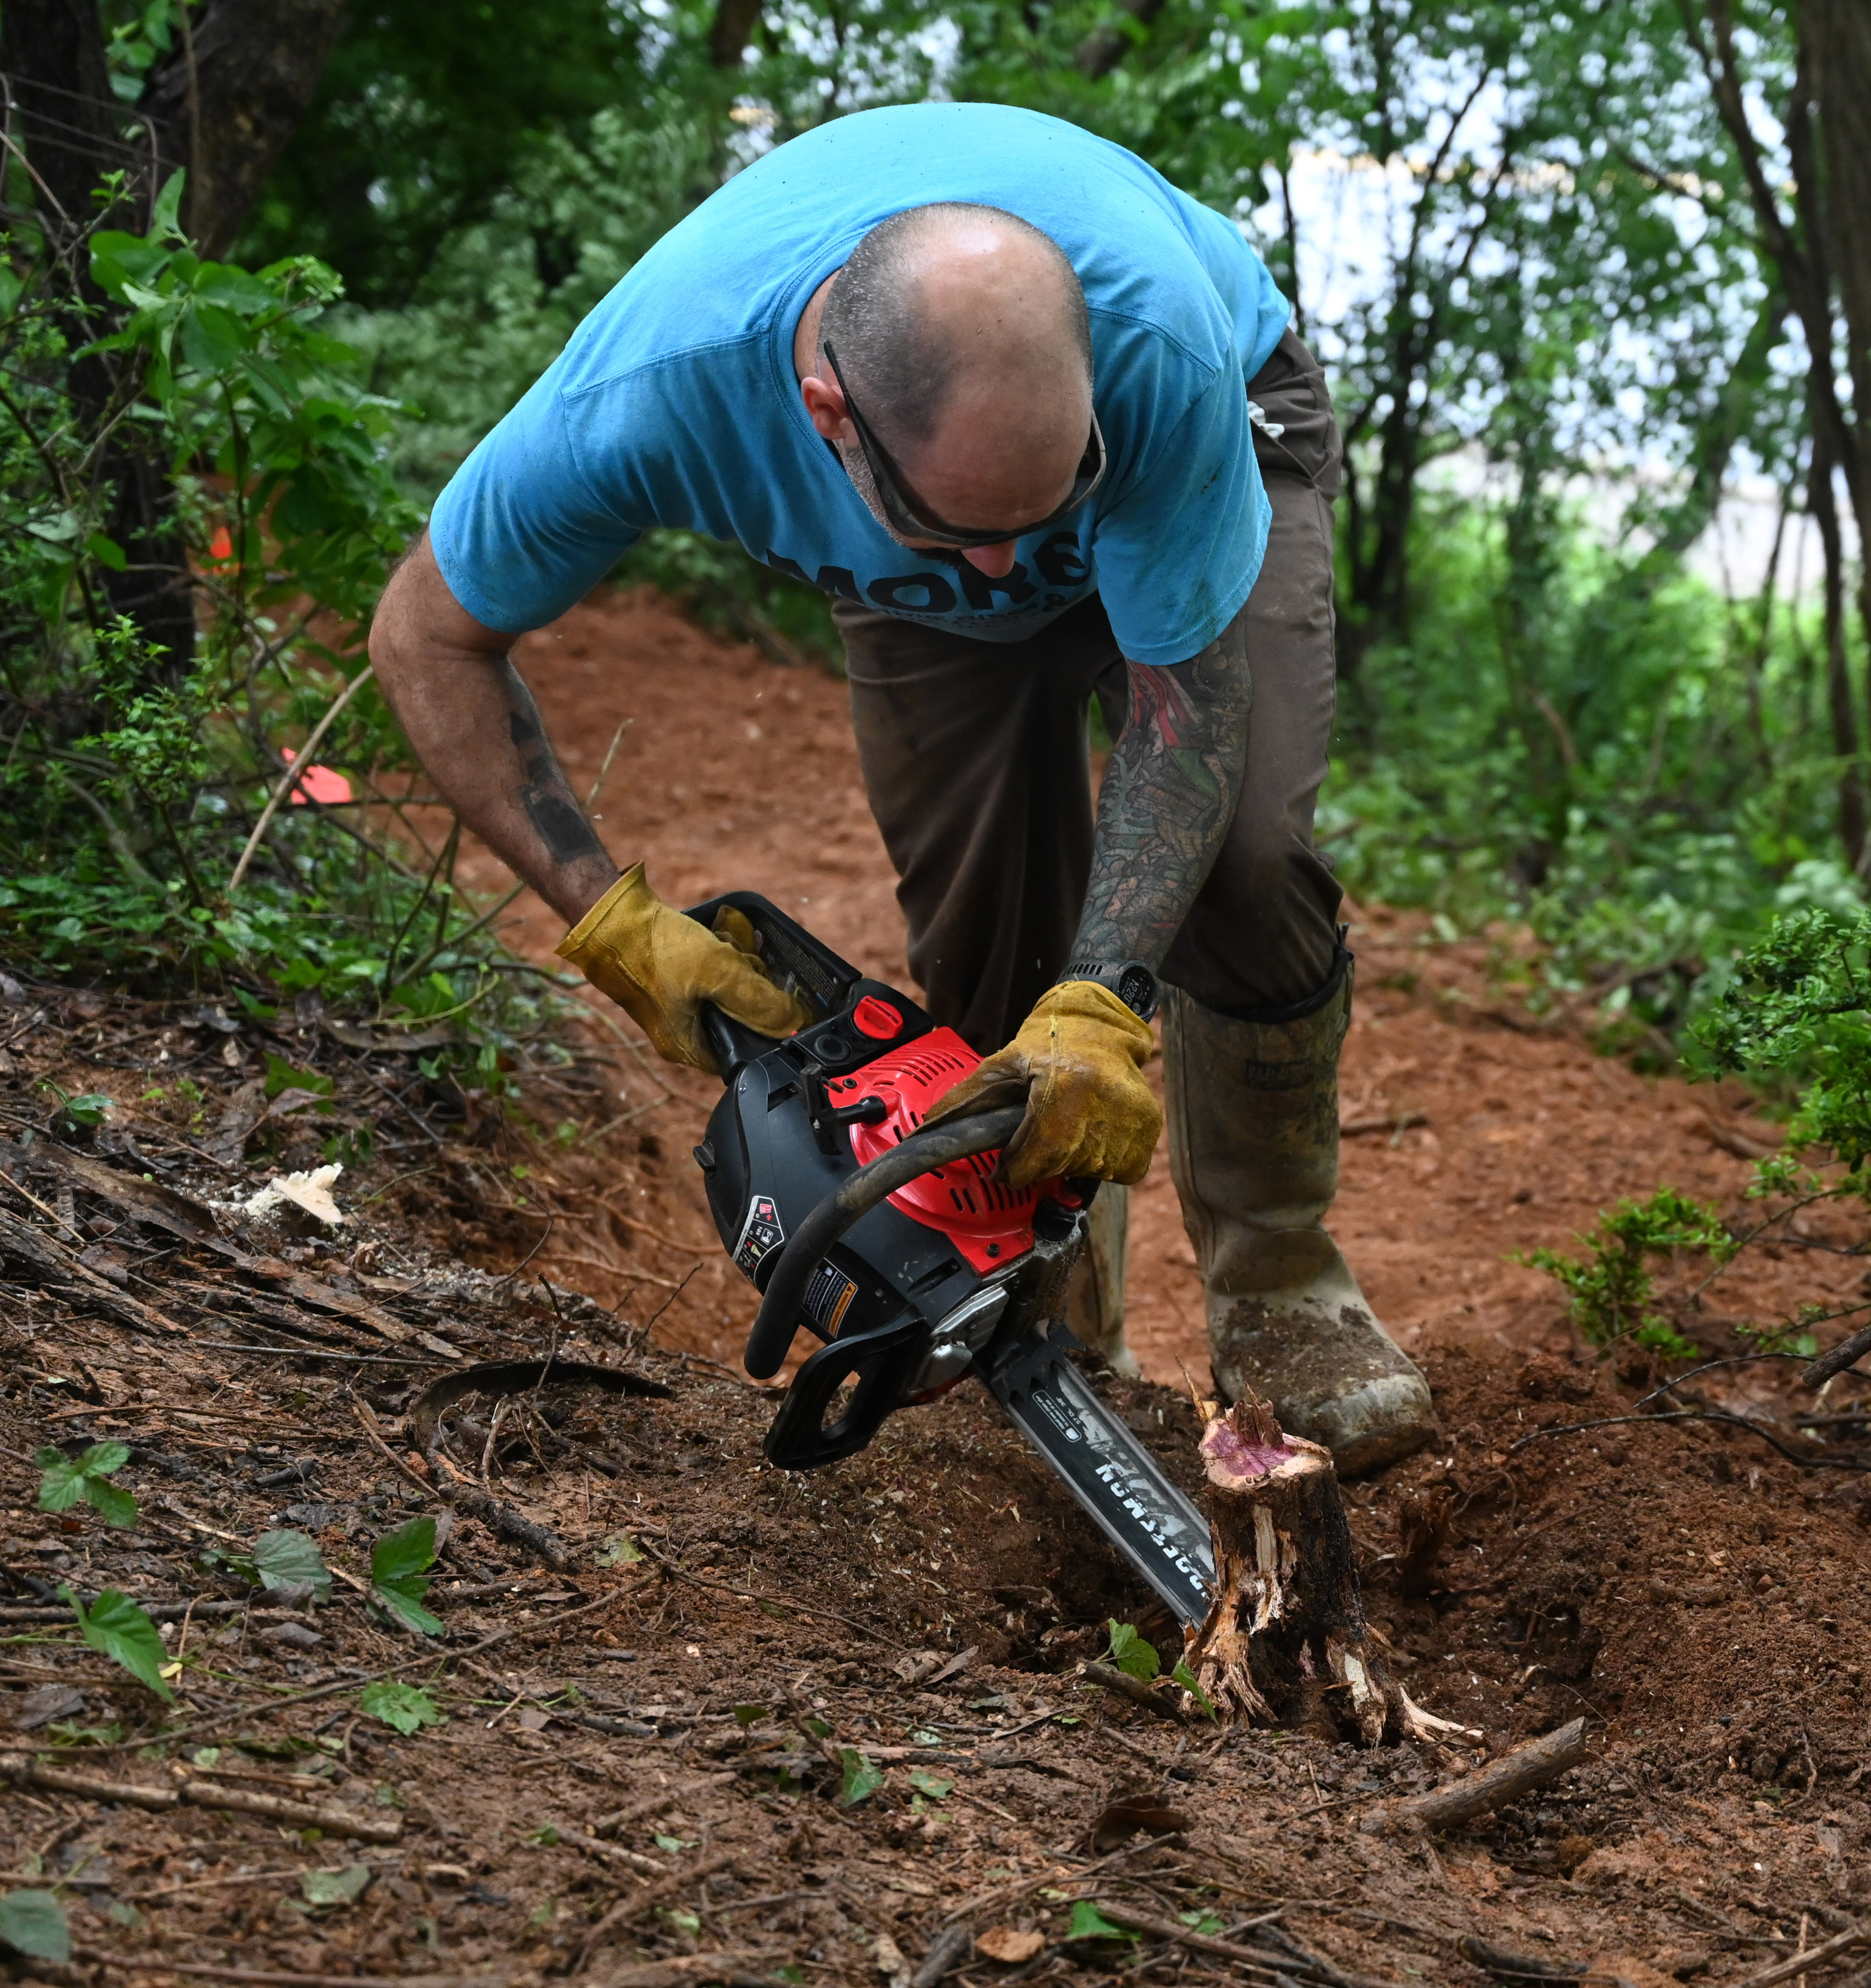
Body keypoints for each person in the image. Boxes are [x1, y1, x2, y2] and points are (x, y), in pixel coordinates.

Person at [366, 102, 1436, 1474]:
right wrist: (614, 926)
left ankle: (1282, 1283)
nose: (1011, 578)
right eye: (965, 529)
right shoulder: (646, 395)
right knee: (994, 936)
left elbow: (1186, 712)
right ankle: (1039, 1302)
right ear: (827, 419)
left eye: (1045, 511)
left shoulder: (1154, 352)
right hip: (888, 540)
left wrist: (1104, 1004)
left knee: (1241, 867)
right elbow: (427, 636)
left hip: (1213, 436)